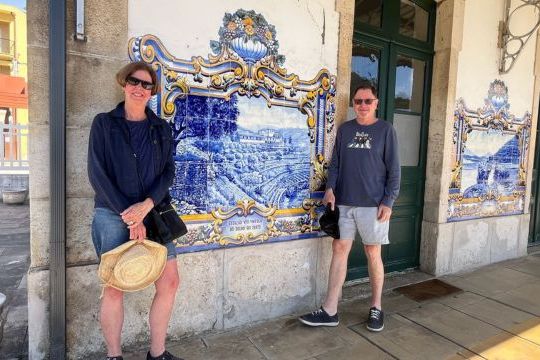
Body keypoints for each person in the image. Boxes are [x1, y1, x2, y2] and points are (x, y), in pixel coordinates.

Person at [88, 61, 183, 360]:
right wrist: (129, 216)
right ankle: (113, 356)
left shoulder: (160, 128)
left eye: (146, 85)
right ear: (123, 82)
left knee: (170, 281)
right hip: (112, 216)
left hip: (154, 213)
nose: (140, 88)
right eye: (134, 81)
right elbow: (96, 173)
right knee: (115, 287)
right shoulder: (104, 123)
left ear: (152, 91)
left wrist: (146, 206)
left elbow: (168, 172)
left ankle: (157, 353)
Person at [299, 83, 400, 332]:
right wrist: (330, 188)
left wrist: (389, 201)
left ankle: (376, 307)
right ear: (353, 103)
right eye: (358, 101)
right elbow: (335, 164)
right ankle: (330, 310)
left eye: (367, 101)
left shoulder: (386, 130)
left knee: (372, 252)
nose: (362, 105)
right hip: (344, 202)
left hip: (373, 205)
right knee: (339, 249)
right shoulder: (345, 130)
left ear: (376, 103)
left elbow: (394, 170)